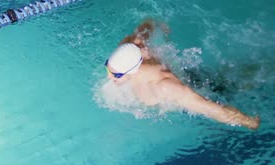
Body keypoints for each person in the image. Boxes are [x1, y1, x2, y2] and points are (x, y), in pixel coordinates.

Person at [105, 20, 260, 130]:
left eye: (116, 75)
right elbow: (147, 24)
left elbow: (211, 109)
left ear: (132, 69)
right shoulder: (130, 46)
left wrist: (249, 122)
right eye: (108, 69)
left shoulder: (165, 86)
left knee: (231, 86)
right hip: (186, 75)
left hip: (197, 87)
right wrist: (159, 24)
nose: (109, 77)